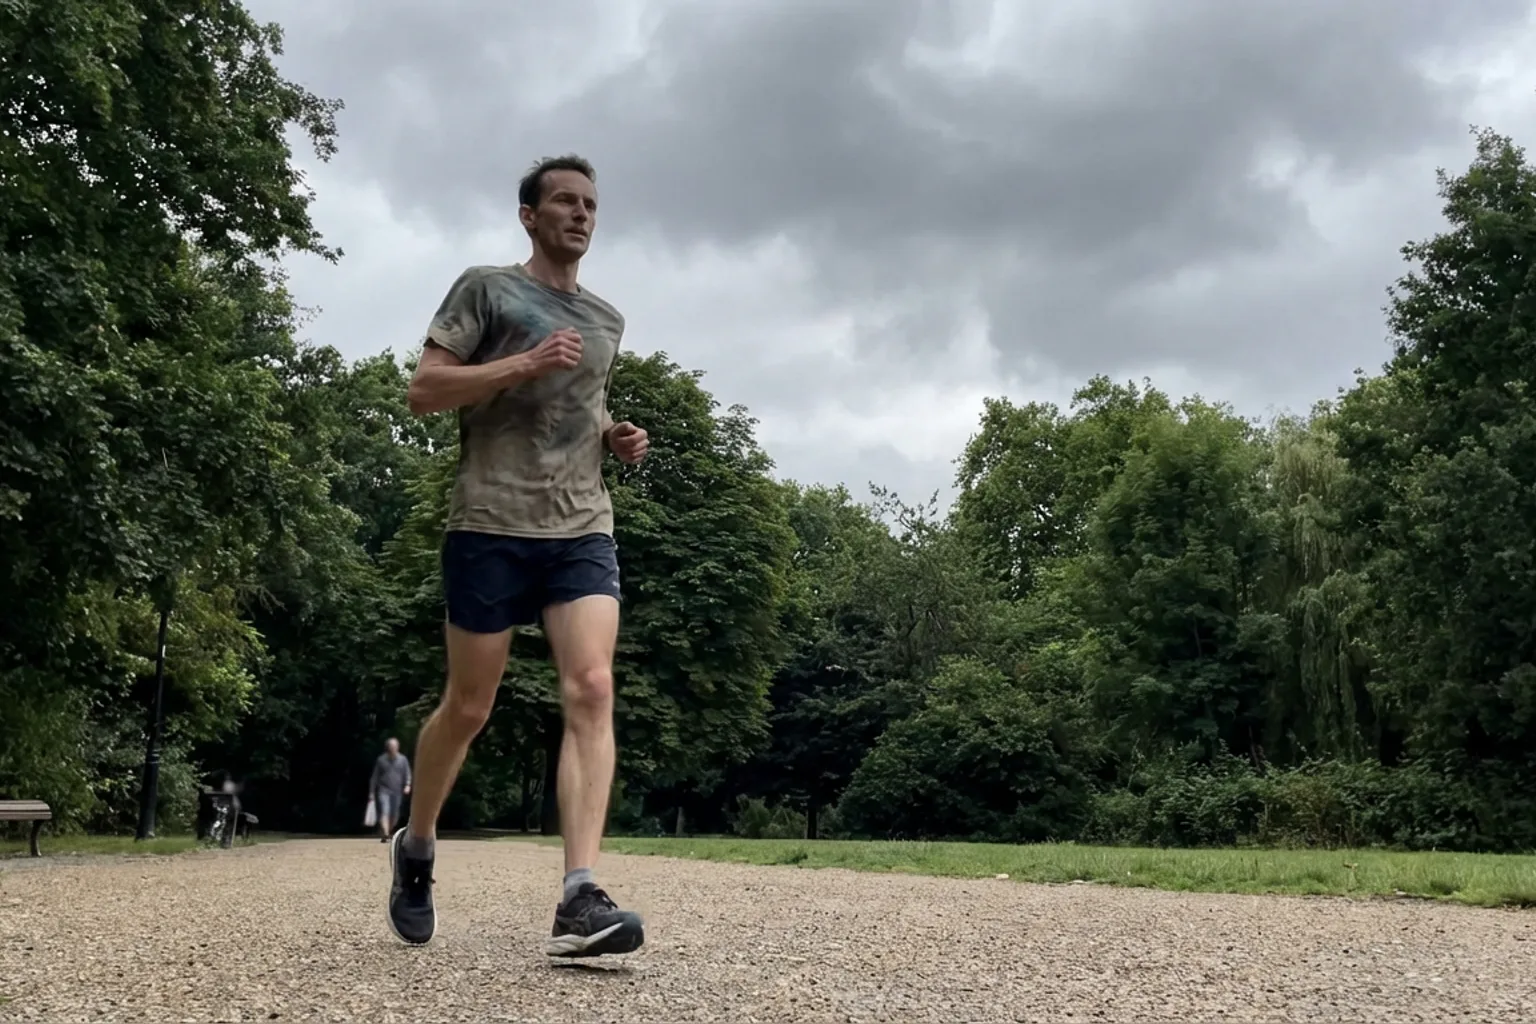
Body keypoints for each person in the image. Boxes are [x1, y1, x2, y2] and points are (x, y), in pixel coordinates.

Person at [387, 154, 651, 958]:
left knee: (593, 686)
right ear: (529, 216)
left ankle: (579, 896)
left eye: (591, 204)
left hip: (579, 525)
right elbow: (426, 389)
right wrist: (522, 363)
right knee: (469, 706)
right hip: (490, 521)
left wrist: (614, 434)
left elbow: (586, 400)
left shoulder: (607, 320)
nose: (580, 214)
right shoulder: (487, 290)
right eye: (564, 202)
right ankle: (418, 845)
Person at [369, 738, 412, 842]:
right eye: (390, 747)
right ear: (387, 748)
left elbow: (407, 773)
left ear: (397, 747)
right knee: (385, 810)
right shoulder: (381, 760)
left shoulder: (403, 760)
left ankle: (388, 830)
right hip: (383, 790)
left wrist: (407, 784)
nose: (392, 749)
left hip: (397, 791)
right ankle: (386, 834)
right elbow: (374, 777)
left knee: (395, 814)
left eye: (394, 747)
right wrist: (371, 792)